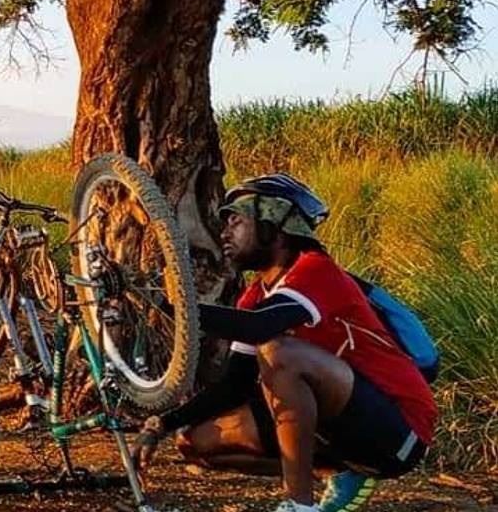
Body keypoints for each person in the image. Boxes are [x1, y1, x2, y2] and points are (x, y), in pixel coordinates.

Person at [133, 174, 436, 512]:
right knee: (194, 442)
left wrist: (167, 306)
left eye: (236, 219)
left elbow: (260, 327)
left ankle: (299, 503)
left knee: (279, 353)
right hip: (339, 431)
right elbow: (233, 385)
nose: (224, 232)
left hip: (398, 430)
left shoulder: (316, 271)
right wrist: (162, 423)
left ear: (272, 222)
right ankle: (334, 470)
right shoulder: (255, 296)